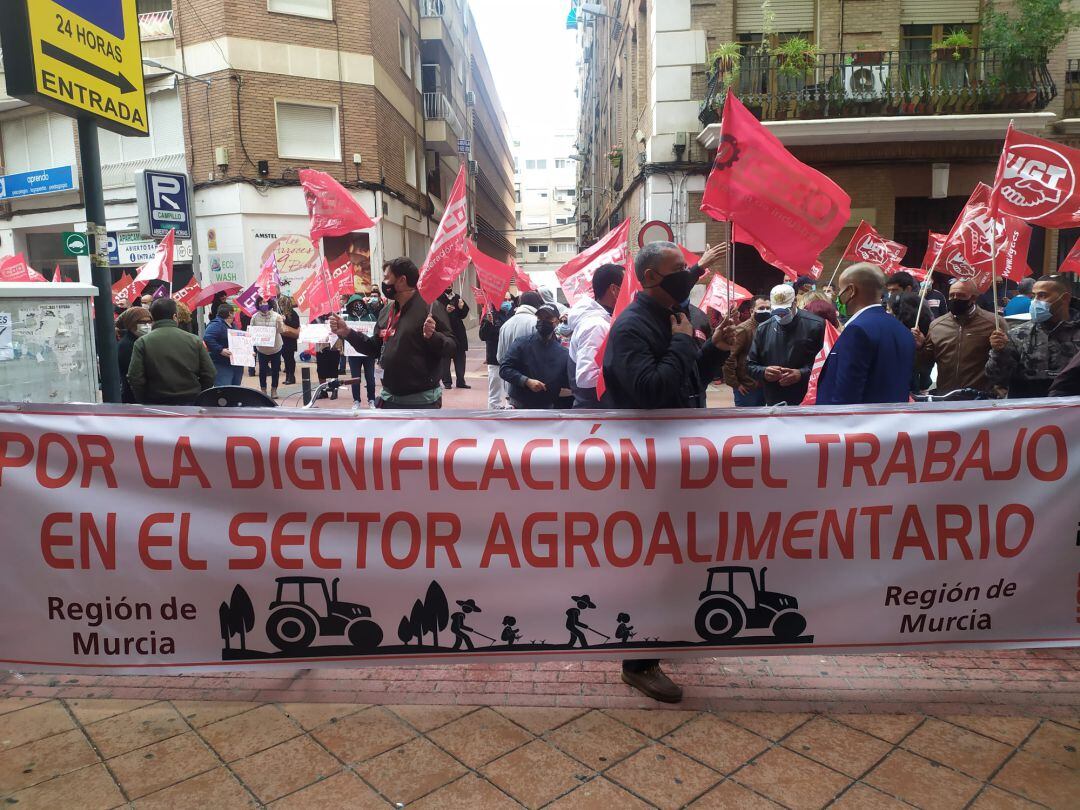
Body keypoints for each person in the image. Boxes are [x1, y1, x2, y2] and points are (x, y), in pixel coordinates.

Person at [601, 240, 734, 703]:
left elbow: (686, 381)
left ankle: (659, 635)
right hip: (643, 471)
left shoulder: (670, 316)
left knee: (673, 558)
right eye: (680, 269)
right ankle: (639, 662)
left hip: (672, 464)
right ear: (652, 277)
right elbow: (652, 392)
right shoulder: (633, 327)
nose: (691, 274)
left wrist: (712, 351)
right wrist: (681, 344)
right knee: (649, 564)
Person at [328, 257, 456, 409]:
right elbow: (373, 348)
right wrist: (348, 333)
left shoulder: (430, 308)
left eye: (387, 278)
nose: (384, 283)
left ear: (402, 280)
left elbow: (452, 347)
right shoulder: (386, 311)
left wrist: (433, 336)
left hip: (422, 403)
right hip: (389, 399)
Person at [816, 263, 915, 405]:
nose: (838, 296)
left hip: (857, 424)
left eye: (841, 290)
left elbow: (846, 397)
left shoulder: (857, 330)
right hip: (893, 422)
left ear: (851, 290)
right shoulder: (902, 330)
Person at [986, 275, 1080, 398]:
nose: (1035, 302)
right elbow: (996, 378)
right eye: (1034, 296)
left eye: (1042, 295)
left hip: (1072, 411)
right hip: (1028, 411)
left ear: (1065, 298)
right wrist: (999, 352)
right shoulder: (1018, 334)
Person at [912, 280, 997, 394]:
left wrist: (1001, 349)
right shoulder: (937, 326)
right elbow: (924, 365)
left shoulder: (993, 324)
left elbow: (1006, 365)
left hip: (980, 399)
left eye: (961, 295)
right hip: (946, 397)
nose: (955, 298)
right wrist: (920, 347)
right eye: (952, 295)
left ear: (973, 298)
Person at [746, 284, 826, 406]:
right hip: (773, 400)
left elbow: (826, 364)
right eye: (777, 311)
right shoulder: (763, 328)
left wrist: (801, 374)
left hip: (806, 399)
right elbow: (750, 365)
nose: (781, 316)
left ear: (795, 303)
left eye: (785, 311)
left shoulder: (816, 325)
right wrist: (764, 372)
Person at [127, 298, 216, 405]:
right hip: (190, 400)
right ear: (174, 316)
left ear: (152, 317)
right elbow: (210, 373)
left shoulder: (142, 342)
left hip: (156, 402)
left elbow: (135, 377)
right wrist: (199, 392)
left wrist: (144, 399)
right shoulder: (194, 340)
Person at [567, 263, 624, 407]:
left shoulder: (603, 320)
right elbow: (587, 378)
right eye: (627, 285)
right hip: (596, 417)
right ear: (614, 290)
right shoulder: (596, 325)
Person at [500, 305, 570, 409]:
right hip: (519, 406)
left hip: (547, 408)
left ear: (556, 321)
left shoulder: (562, 353)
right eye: (539, 318)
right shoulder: (521, 344)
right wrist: (526, 381)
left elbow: (566, 381)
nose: (542, 321)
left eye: (547, 318)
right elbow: (504, 369)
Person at [723, 297, 768, 407]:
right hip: (746, 387)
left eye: (768, 308)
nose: (766, 311)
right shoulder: (743, 329)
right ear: (752, 311)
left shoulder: (767, 327)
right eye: (761, 308)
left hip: (763, 385)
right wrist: (735, 384)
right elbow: (729, 358)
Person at [341, 292, 381, 409]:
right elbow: (344, 335)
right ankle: (356, 401)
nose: (357, 305)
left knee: (370, 378)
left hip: (368, 354)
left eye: (360, 303)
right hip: (353, 354)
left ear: (363, 304)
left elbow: (376, 333)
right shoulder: (347, 318)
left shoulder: (370, 317)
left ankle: (371, 400)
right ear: (350, 305)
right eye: (354, 303)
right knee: (355, 378)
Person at [250, 297, 287, 399]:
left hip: (276, 348)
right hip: (261, 349)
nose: (263, 304)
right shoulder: (254, 317)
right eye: (261, 302)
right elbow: (251, 333)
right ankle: (263, 390)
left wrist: (280, 322)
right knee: (262, 370)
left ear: (269, 303)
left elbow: (281, 331)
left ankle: (274, 390)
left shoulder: (276, 316)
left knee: (275, 370)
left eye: (265, 302)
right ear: (258, 304)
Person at [478, 300, 511, 408]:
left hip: (508, 358)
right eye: (505, 300)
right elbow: (482, 336)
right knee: (495, 386)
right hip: (494, 357)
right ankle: (493, 407)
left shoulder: (510, 314)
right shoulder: (489, 314)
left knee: (509, 387)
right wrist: (488, 323)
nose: (508, 302)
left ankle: (508, 405)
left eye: (509, 300)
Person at [497, 290, 544, 365]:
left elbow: (500, 357)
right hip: (531, 374)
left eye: (509, 300)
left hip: (509, 373)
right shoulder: (537, 323)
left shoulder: (505, 325)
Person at [116, 307, 152, 404]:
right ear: (131, 324)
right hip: (133, 399)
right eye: (142, 322)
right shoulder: (126, 345)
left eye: (149, 322)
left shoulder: (142, 341)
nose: (147, 325)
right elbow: (133, 375)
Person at [438, 286, 471, 389]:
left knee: (460, 357)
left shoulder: (458, 297)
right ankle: (447, 382)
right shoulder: (439, 298)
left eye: (450, 283)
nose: (449, 285)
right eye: (446, 283)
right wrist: (445, 310)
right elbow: (435, 314)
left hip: (458, 332)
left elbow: (463, 315)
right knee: (445, 358)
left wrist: (462, 307)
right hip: (445, 331)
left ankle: (461, 381)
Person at [203, 302, 243, 387]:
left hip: (235, 363)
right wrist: (220, 350)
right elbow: (208, 338)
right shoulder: (216, 324)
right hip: (222, 364)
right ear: (230, 314)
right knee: (224, 390)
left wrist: (248, 352)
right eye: (233, 312)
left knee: (235, 389)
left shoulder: (233, 325)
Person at [279, 295, 300, 385]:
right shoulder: (282, 313)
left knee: (290, 358)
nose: (281, 306)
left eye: (283, 304)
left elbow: (295, 325)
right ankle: (288, 376)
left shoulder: (293, 313)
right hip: (283, 339)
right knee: (286, 358)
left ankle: (291, 377)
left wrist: (285, 321)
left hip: (290, 340)